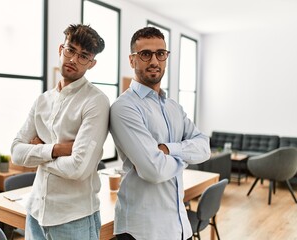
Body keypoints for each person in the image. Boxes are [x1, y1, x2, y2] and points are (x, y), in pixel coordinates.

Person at [109, 26, 211, 240]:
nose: (154, 61)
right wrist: (185, 157)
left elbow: (204, 147)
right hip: (142, 231)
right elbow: (154, 170)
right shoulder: (124, 107)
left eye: (160, 53)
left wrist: (168, 149)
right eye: (145, 54)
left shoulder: (174, 107)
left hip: (179, 226)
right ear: (132, 60)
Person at [11, 24, 109, 240]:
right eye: (70, 50)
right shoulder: (42, 100)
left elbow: (78, 169)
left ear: (92, 63)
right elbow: (16, 152)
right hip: (35, 212)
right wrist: (56, 149)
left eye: (83, 56)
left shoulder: (96, 102)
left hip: (74, 219)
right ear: (60, 49)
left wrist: (38, 152)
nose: (73, 59)